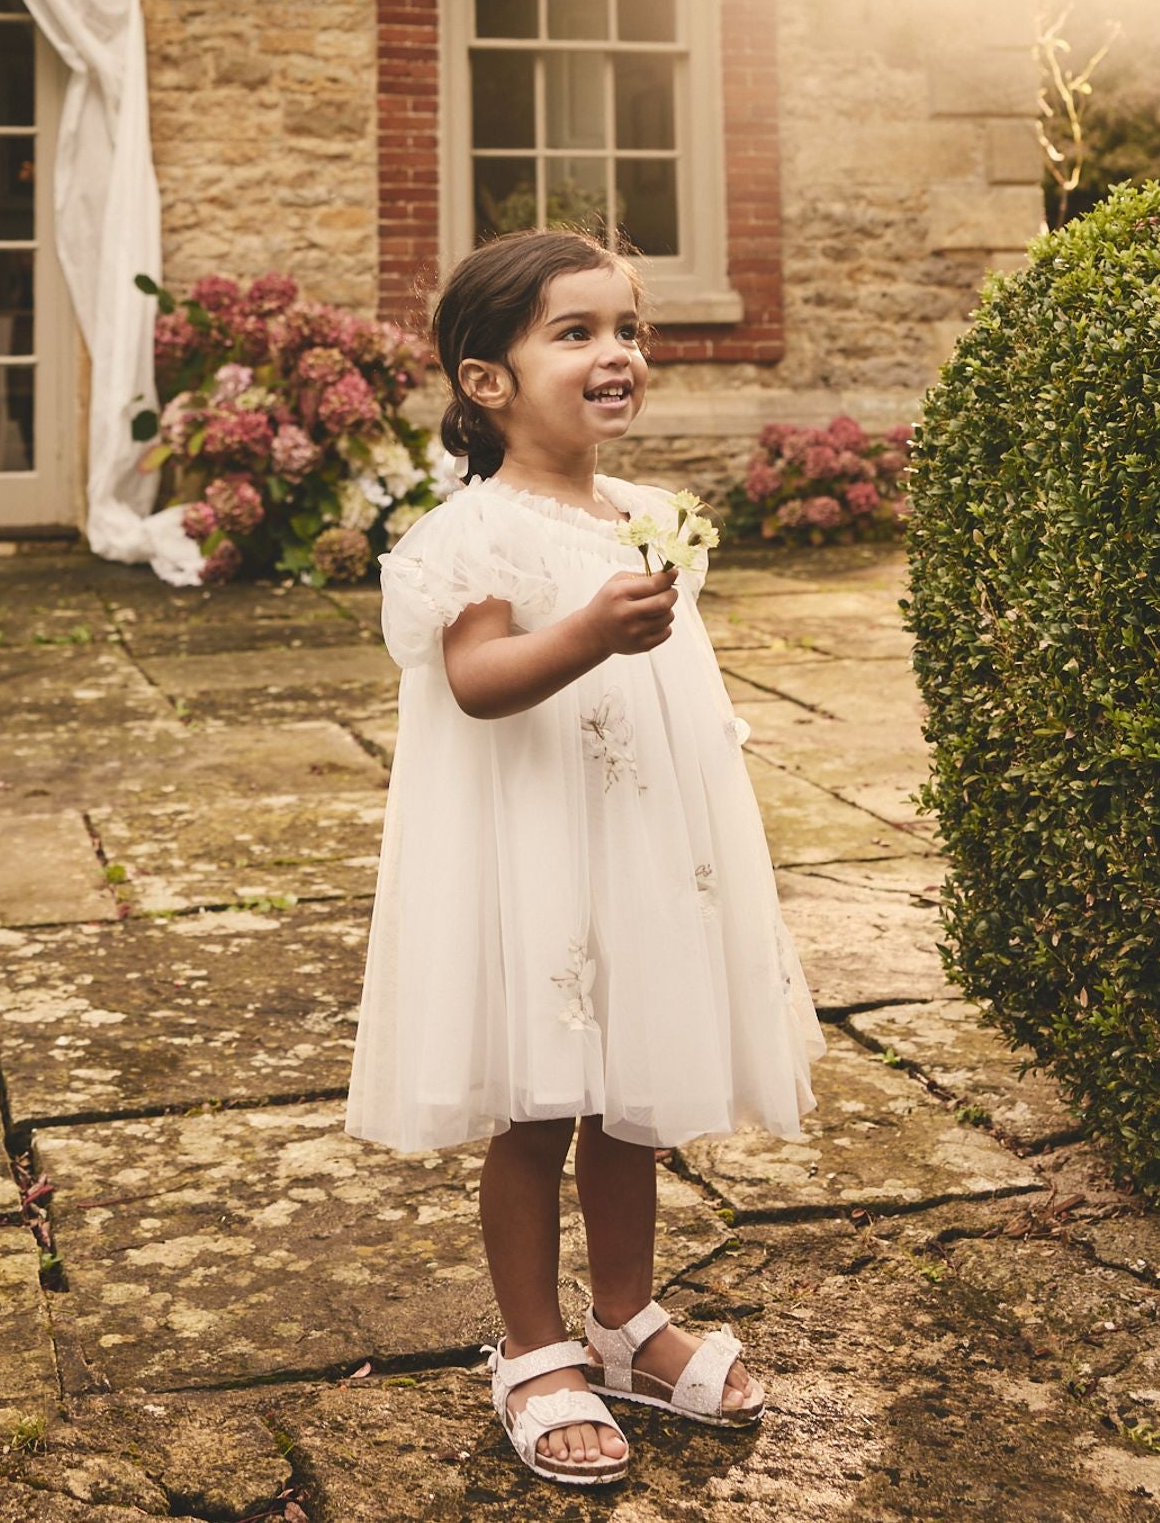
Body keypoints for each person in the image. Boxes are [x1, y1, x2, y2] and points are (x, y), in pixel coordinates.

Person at [346, 229, 823, 1487]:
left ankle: (625, 1320)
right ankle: (533, 1346)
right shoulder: (473, 536)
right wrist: (590, 635)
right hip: (536, 853)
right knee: (542, 1103)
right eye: (578, 333)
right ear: (486, 381)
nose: (617, 355)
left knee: (633, 1097)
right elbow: (481, 679)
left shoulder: (648, 516)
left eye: (629, 331)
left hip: (635, 842)